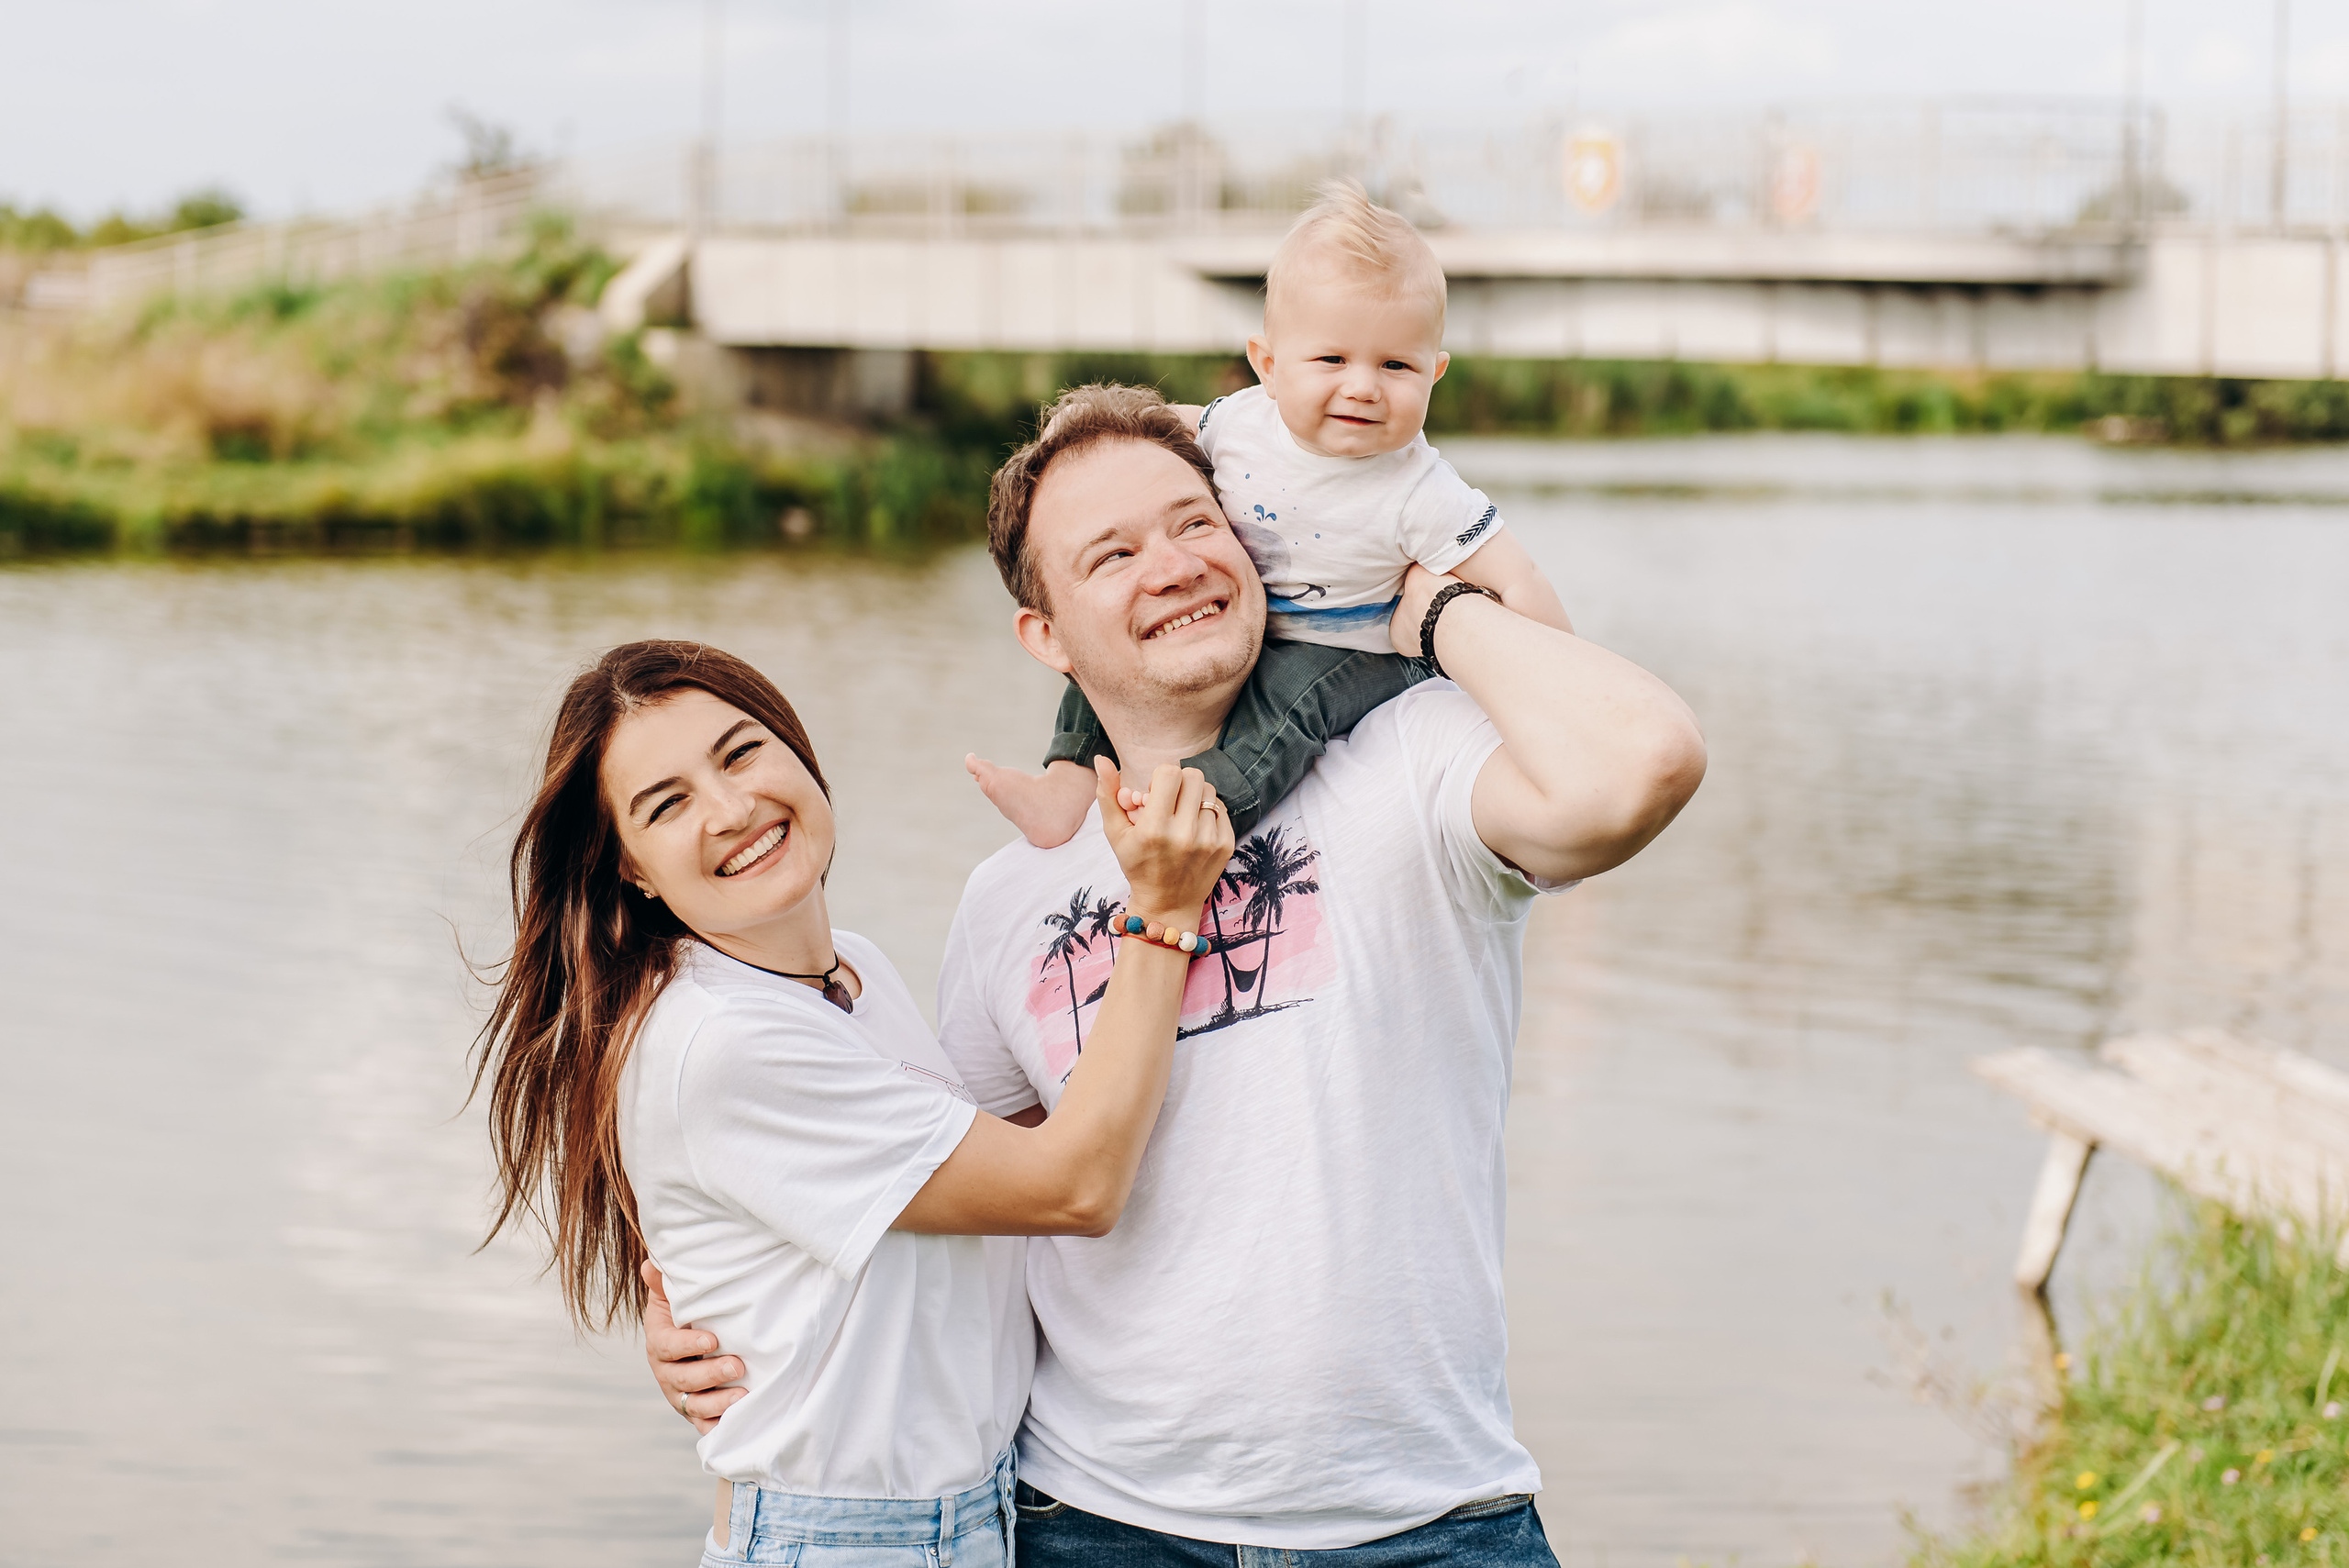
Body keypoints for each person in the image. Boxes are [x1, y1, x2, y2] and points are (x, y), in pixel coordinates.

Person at [649, 387, 1707, 1565]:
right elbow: (958, 1208)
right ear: (1044, 638)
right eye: (1110, 554)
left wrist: (1437, 606)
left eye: (1195, 524)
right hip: (1093, 1522)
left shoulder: (1413, 758)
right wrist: (713, 1313)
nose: (1173, 565)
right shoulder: (1012, 895)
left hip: (1428, 1519)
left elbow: (1643, 762)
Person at [470, 639, 1234, 1567]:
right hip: (850, 1540)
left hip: (971, 1516)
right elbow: (1073, 1186)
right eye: (666, 804)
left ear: (796, 748)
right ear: (630, 867)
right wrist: (1164, 909)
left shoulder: (850, 972)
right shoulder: (722, 1038)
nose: (732, 807)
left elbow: (976, 1167)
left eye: (742, 750)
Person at [968, 180, 1571, 851]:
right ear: (1269, 366)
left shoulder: (1421, 490)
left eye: (1397, 364)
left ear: (1436, 373)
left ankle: (1210, 807)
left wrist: (1558, 671)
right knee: (1098, 646)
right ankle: (1065, 784)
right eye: (1332, 359)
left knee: (1291, 698)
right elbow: (1175, 423)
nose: (1364, 386)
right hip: (1249, 615)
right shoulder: (1244, 424)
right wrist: (1085, 431)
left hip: (1349, 647)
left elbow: (1517, 577)